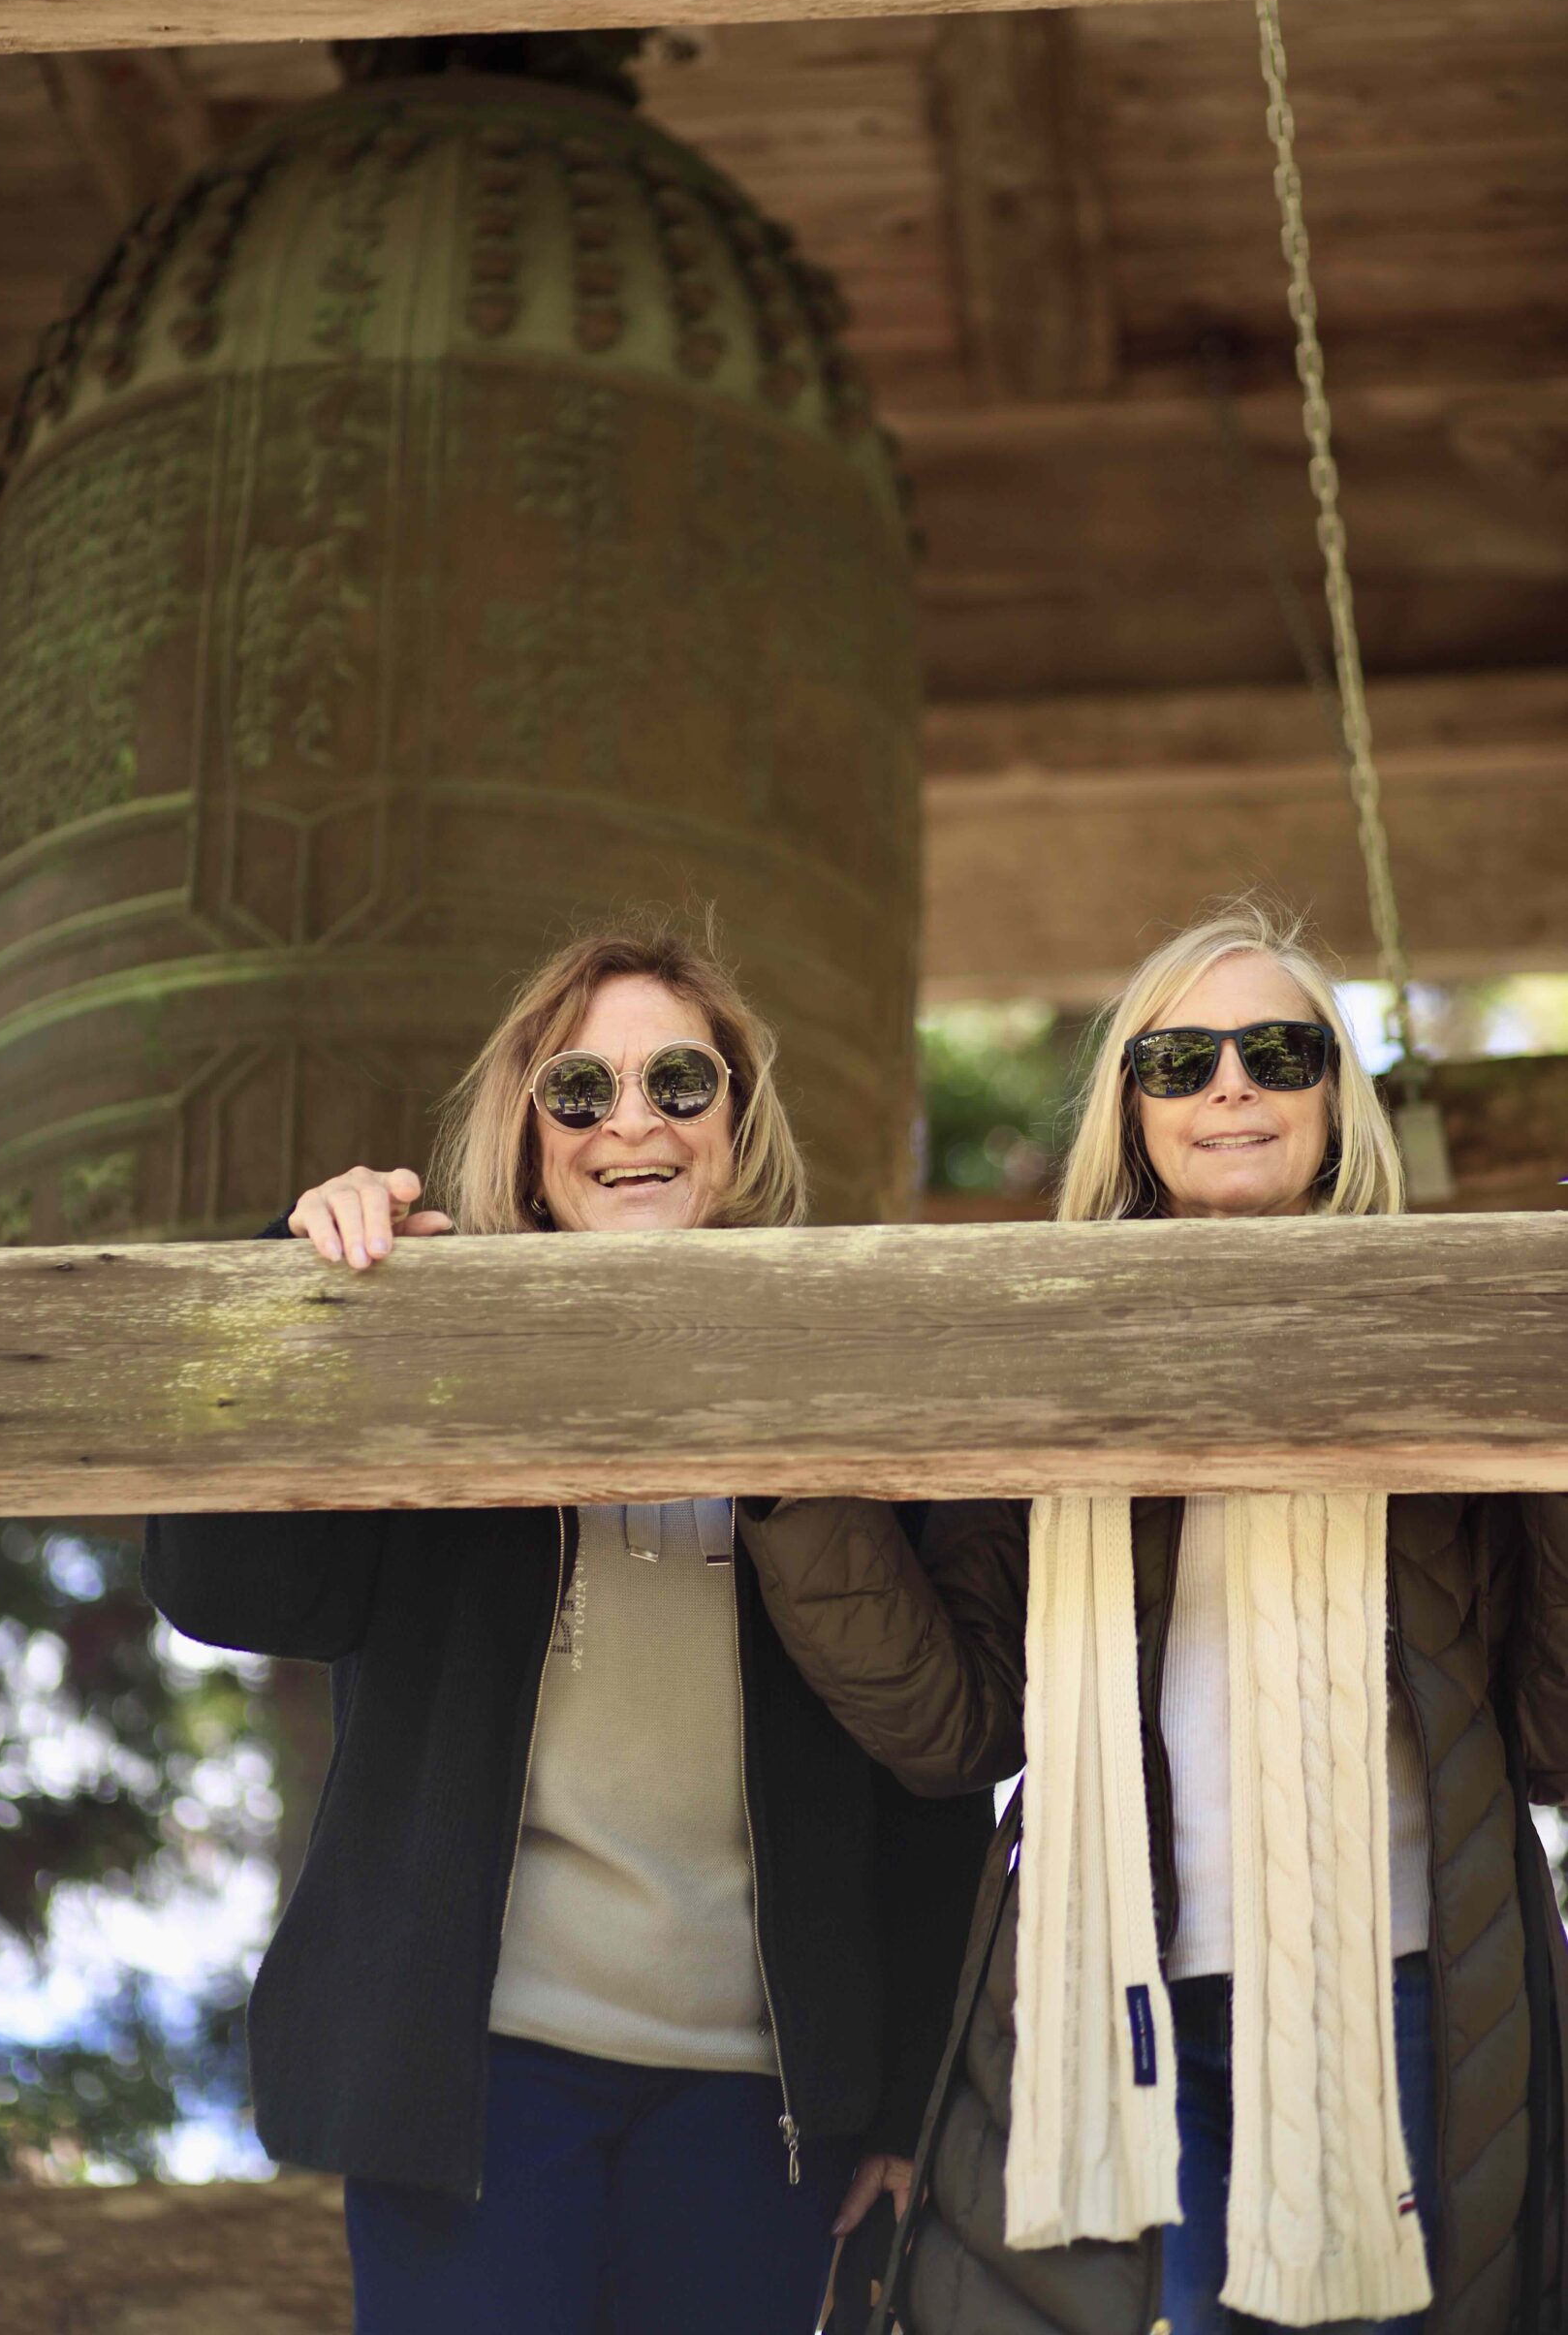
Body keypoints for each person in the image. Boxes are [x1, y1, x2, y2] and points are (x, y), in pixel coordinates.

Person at [141, 918, 989, 2335]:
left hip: (759, 2112)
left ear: (738, 1122)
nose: (630, 1125)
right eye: (579, 1093)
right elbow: (224, 1587)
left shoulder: (844, 1400)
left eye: (680, 1083)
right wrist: (300, 1303)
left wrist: (902, 2101)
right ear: (528, 1139)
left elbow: (923, 1778)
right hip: (469, 2083)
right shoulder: (427, 1377)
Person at [737, 901, 1568, 2335]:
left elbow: (1554, 1730)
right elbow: (950, 1727)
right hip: (1134, 2008)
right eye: (1179, 1059)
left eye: (1277, 1050)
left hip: (1412, 1990)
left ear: (1336, 1098)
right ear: (1130, 1113)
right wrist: (781, 1478)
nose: (1230, 1084)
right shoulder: (1045, 1369)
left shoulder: (1445, 1347)